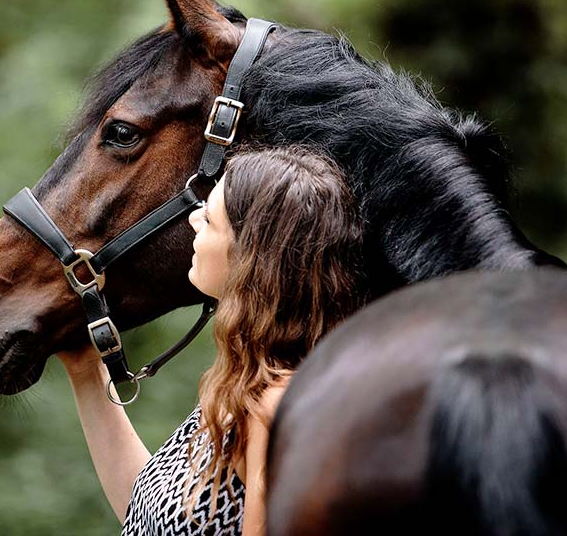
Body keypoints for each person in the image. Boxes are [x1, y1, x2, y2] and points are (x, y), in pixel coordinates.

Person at [58, 145, 367, 536]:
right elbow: (150, 519)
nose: (191, 220)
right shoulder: (245, 384)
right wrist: (87, 370)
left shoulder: (279, 408)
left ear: (250, 257)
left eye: (209, 217)